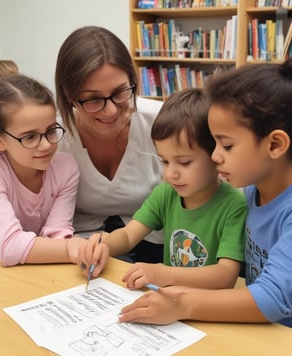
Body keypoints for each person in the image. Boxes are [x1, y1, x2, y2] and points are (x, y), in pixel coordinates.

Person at [117, 57, 292, 356]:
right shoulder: (252, 193)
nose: (215, 156)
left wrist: (182, 303)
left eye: (226, 145)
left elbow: (273, 298)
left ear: (275, 145)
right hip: (262, 333)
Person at [77, 88, 247, 290]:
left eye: (184, 163)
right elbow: (129, 235)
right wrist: (104, 246)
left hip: (210, 308)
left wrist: (164, 273)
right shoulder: (166, 193)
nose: (170, 174)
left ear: (216, 155)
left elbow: (225, 275)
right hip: (170, 302)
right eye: (164, 161)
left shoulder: (235, 205)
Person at [55, 26, 164, 263]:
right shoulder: (53, 138)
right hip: (77, 249)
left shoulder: (162, 122)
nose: (111, 110)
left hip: (158, 245)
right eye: (93, 99)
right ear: (69, 95)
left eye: (120, 92)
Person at [0, 74, 92, 267]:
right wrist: (71, 248)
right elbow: (10, 248)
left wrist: (74, 248)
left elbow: (58, 233)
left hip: (40, 259)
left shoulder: (66, 167)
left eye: (51, 131)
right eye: (29, 137)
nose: (45, 145)